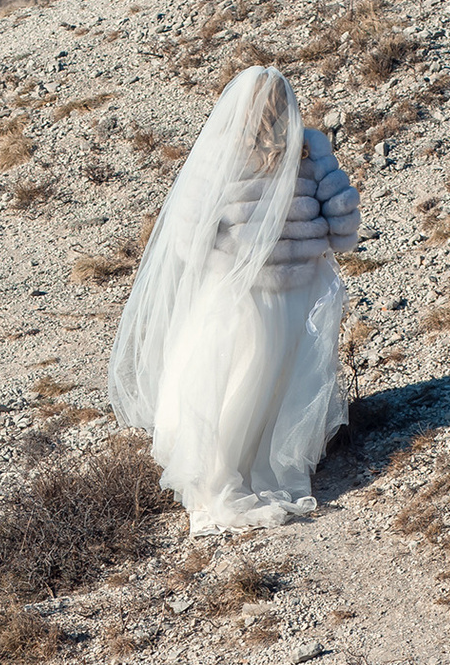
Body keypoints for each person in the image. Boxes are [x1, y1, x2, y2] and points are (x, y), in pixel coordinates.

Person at [108, 66, 361, 533]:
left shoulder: (217, 157)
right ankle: (269, 467)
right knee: (278, 388)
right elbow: (344, 233)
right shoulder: (312, 151)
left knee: (230, 385)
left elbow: (186, 241)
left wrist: (232, 258)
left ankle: (219, 474)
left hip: (238, 296)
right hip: (297, 294)